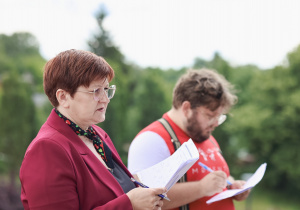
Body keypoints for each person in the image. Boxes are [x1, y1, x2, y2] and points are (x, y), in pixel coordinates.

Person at [19, 49, 166, 210]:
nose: (105, 99)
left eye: (106, 89)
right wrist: (129, 204)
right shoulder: (46, 149)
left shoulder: (98, 135)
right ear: (63, 97)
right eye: (96, 91)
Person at [128, 68, 250, 210]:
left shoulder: (205, 135)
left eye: (219, 117)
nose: (216, 123)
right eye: (210, 116)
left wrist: (231, 185)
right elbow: (143, 200)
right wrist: (201, 188)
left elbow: (209, 176)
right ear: (186, 108)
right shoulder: (151, 140)